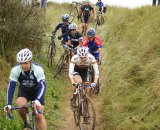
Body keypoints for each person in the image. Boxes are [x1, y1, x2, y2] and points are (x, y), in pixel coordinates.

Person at [4, 48, 47, 130]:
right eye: (21, 63)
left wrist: (38, 100)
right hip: (24, 91)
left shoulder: (38, 69)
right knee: (20, 107)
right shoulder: (15, 70)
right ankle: (26, 123)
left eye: (25, 63)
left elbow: (43, 86)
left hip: (37, 91)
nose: (23, 65)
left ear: (30, 61)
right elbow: (11, 86)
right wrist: (8, 103)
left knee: (39, 115)